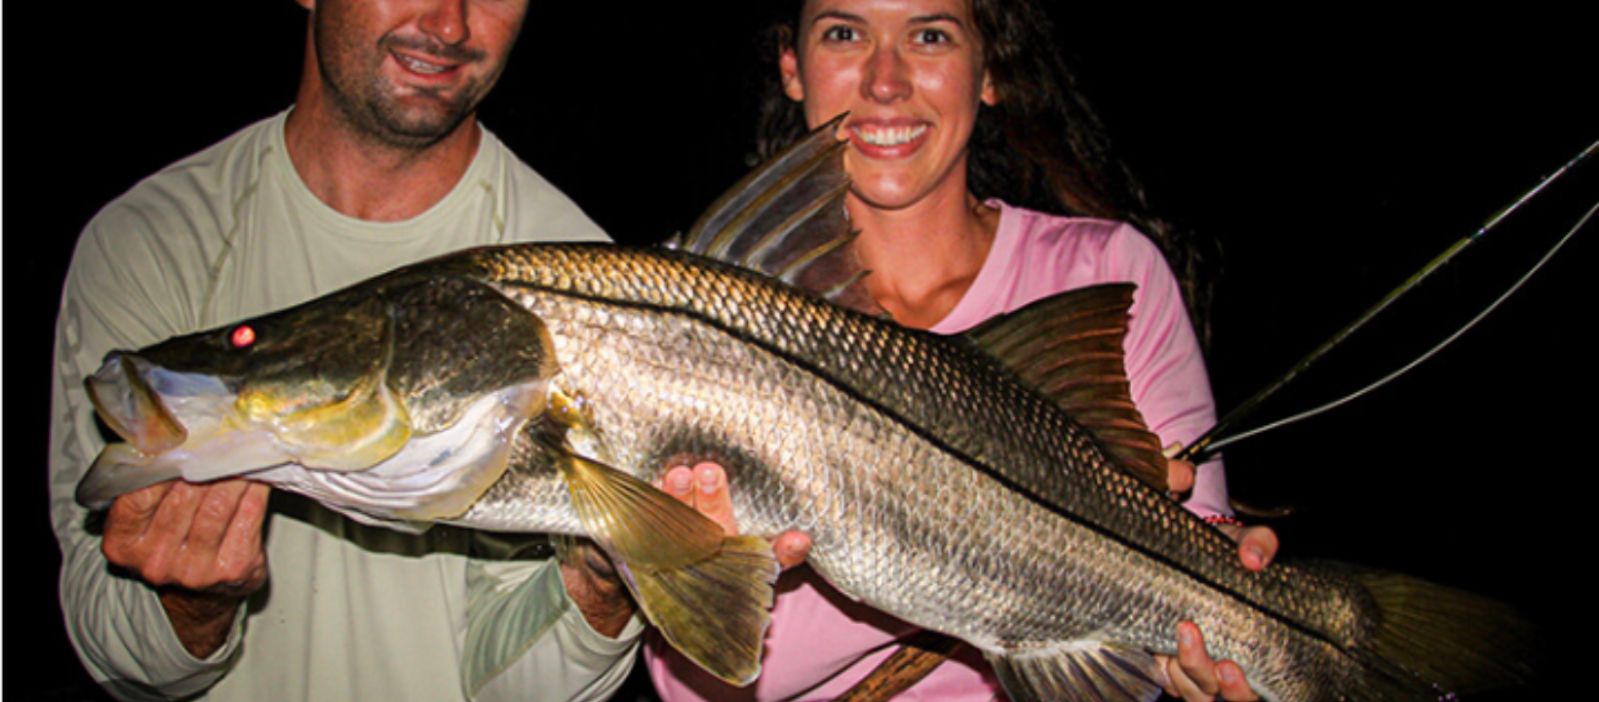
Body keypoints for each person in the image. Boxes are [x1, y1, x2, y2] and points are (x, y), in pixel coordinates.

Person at [645, 0, 1280, 700]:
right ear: (791, 67)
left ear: (988, 72)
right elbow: (688, 687)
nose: (885, 79)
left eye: (929, 34)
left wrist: (1190, 642)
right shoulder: (677, 306)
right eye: (844, 32)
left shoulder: (1105, 274)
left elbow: (1197, 571)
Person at [48, 1, 671, 699]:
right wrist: (193, 607)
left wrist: (601, 583)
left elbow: (521, 689)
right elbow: (111, 646)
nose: (449, 25)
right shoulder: (154, 239)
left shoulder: (588, 290)